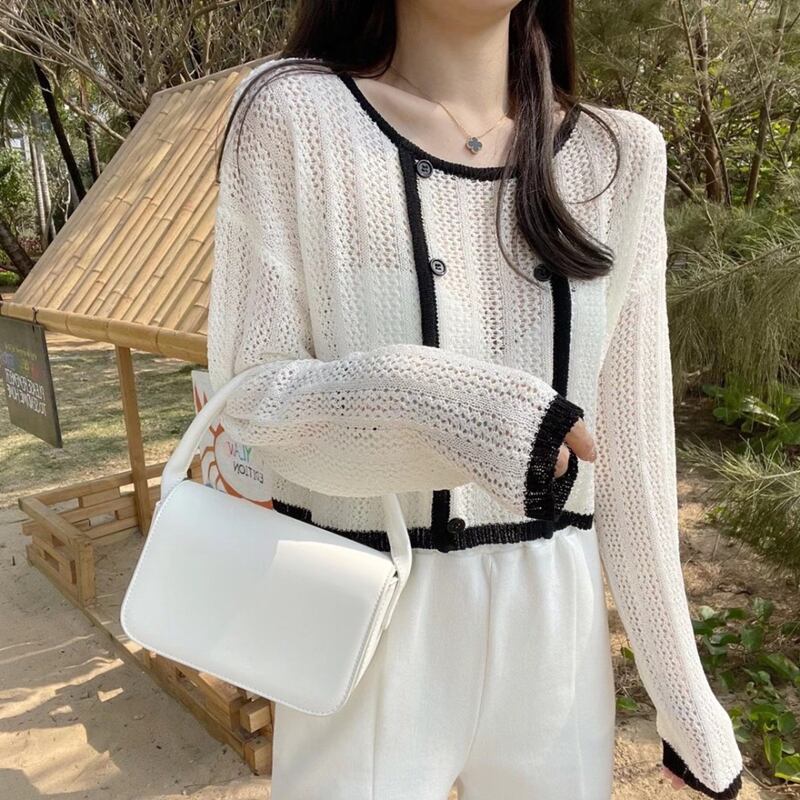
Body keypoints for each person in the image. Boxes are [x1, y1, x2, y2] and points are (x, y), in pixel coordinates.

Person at [207, 1, 744, 798]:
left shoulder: (618, 155)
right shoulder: (293, 113)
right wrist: (452, 410)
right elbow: (253, 404)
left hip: (555, 620)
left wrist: (683, 694)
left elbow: (633, 455)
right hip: (361, 607)